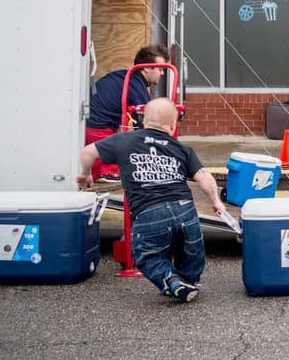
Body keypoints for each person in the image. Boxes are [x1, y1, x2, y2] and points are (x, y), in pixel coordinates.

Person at [76, 98, 225, 302]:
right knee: (191, 249)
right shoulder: (182, 149)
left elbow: (87, 152)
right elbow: (204, 177)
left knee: (146, 254)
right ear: (173, 124)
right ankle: (188, 282)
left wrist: (86, 174)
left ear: (143, 119)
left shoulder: (123, 140)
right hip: (184, 208)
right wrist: (216, 200)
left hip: (149, 210)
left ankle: (172, 281)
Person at [84, 44, 168, 182]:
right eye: (160, 69)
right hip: (99, 131)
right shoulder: (136, 88)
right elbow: (145, 126)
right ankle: (109, 173)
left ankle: (100, 173)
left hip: (89, 127)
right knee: (124, 167)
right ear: (147, 68)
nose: (163, 73)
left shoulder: (124, 77)